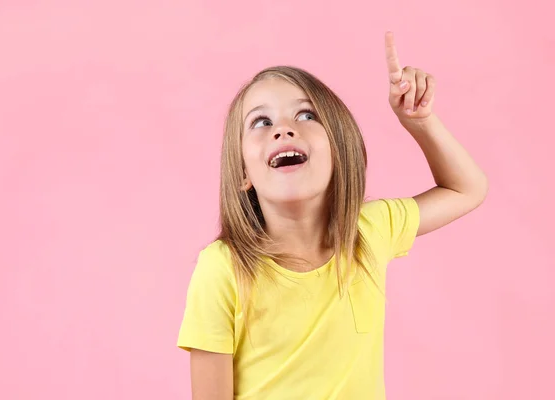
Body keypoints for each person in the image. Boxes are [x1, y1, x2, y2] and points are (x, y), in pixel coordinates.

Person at [176, 31, 488, 400]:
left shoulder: (370, 230)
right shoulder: (223, 268)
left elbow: (466, 189)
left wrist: (419, 122)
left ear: (339, 149)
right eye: (260, 122)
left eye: (306, 114)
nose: (283, 129)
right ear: (242, 172)